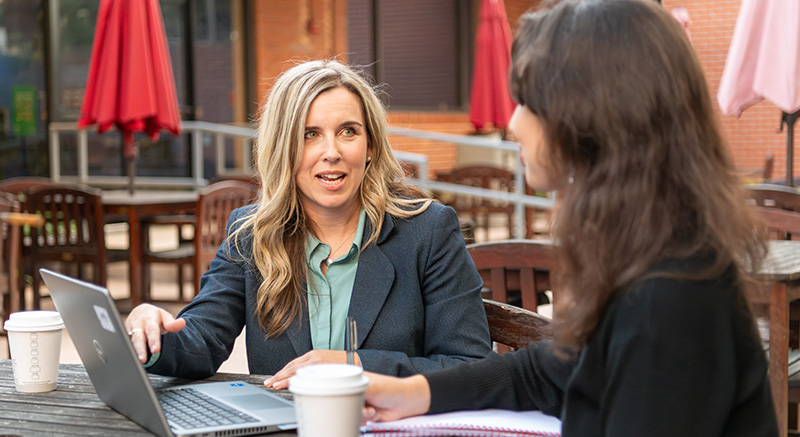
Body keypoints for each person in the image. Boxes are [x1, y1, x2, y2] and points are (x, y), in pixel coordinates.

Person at [363, 1, 778, 435]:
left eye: (529, 102)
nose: (514, 121)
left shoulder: (667, 299)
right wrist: (416, 393)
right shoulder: (649, 250)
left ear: (594, 117)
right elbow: (546, 372)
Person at [124, 60, 492, 389]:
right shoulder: (251, 233)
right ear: (284, 148)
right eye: (309, 134)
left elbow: (470, 368)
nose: (331, 151)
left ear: (371, 147)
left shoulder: (428, 231)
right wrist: (154, 336)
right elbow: (203, 339)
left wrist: (353, 365)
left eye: (348, 131)